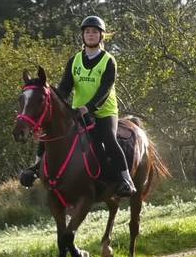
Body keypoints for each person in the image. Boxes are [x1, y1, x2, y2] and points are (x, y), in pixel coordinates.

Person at [18, 16, 136, 197]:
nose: (90, 35)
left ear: (101, 36)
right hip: (78, 111)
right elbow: (65, 87)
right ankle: (35, 168)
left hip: (104, 111)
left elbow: (105, 89)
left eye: (94, 32)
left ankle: (126, 180)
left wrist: (89, 107)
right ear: (82, 35)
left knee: (108, 140)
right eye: (87, 32)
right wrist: (55, 102)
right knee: (49, 133)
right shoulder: (74, 60)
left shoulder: (108, 61)